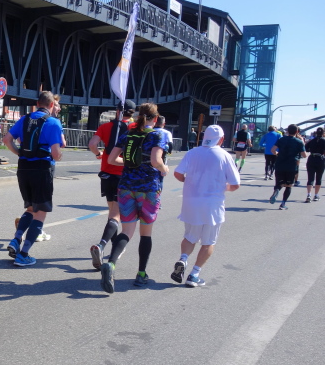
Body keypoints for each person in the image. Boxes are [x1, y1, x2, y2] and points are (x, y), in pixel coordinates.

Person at [102, 103, 169, 292]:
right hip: (148, 188)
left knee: (126, 231)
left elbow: (111, 159)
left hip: (126, 186)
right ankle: (141, 274)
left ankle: (111, 263)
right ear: (155, 119)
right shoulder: (158, 135)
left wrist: (132, 162)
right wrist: (164, 168)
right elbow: (156, 160)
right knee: (145, 233)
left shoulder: (128, 134)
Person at [171, 125, 240, 287]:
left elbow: (177, 173)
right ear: (221, 139)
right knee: (208, 242)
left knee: (190, 237)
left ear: (204, 137)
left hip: (191, 203)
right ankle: (194, 275)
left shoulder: (192, 152)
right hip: (212, 205)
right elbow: (235, 184)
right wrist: (224, 187)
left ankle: (183, 259)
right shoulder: (224, 155)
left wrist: (188, 182)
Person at [3, 91, 63, 267]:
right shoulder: (53, 122)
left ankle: (16, 239)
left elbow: (7, 139)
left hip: (23, 167)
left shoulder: (24, 119)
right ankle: (24, 254)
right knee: (40, 212)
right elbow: (56, 153)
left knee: (30, 208)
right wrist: (59, 157)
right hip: (41, 169)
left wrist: (19, 153)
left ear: (37, 103)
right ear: (51, 105)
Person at [87, 100, 135, 270]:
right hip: (124, 175)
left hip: (107, 174)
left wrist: (99, 153)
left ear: (117, 111)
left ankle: (113, 246)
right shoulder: (134, 128)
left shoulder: (106, 127)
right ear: (133, 113)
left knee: (112, 212)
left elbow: (92, 144)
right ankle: (101, 245)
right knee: (116, 215)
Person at [269, 124, 307, 210]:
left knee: (279, 183)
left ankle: (277, 190)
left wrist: (277, 154)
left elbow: (273, 150)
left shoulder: (281, 139)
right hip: (291, 165)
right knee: (289, 185)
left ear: (287, 131)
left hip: (280, 164)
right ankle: (283, 204)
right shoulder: (299, 141)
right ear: (297, 132)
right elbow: (304, 155)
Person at [304, 127, 325, 203]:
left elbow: (306, 148)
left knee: (310, 178)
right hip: (320, 159)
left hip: (311, 159)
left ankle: (308, 195)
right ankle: (316, 195)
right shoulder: (324, 141)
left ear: (316, 133)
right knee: (318, 178)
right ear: (323, 133)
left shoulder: (312, 141)